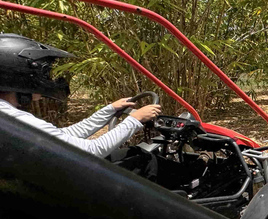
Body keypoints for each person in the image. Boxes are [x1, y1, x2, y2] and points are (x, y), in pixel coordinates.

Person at [0, 33, 161, 158]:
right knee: (144, 159)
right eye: (44, 73)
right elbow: (93, 150)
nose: (48, 79)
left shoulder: (8, 115)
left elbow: (63, 136)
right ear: (20, 75)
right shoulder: (18, 121)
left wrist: (109, 110)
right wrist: (135, 119)